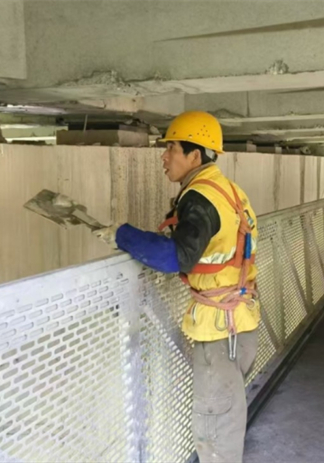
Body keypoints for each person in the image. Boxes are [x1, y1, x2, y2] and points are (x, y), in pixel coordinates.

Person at [93, 111, 260, 463]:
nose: (164, 157)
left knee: (214, 431)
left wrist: (122, 235)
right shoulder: (229, 191)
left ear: (195, 155)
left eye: (171, 148)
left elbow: (174, 257)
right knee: (227, 417)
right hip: (241, 321)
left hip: (219, 333)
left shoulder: (199, 197)